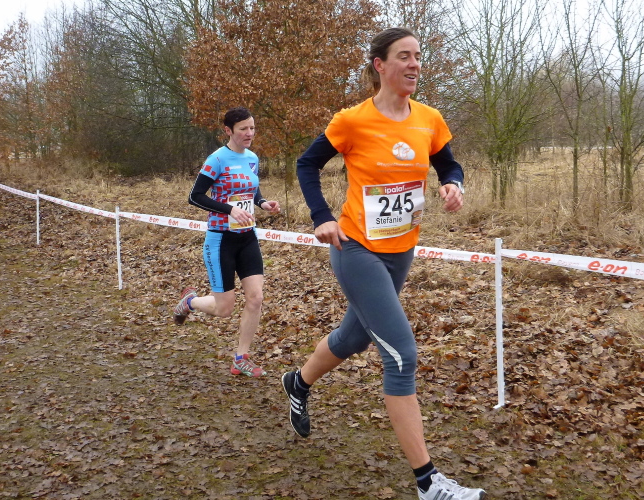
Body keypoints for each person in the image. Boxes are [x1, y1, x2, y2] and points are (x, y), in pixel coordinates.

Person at [282, 28, 484, 500]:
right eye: (404, 56)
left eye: (418, 56)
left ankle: (298, 381)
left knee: (353, 338)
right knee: (401, 356)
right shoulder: (353, 120)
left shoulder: (429, 119)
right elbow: (307, 164)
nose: (414, 64)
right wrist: (321, 216)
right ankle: (429, 482)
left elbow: (448, 164)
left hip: (401, 251)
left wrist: (453, 184)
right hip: (355, 248)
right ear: (380, 65)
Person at [173, 107, 281, 377]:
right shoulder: (217, 159)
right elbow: (195, 196)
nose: (249, 133)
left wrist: (262, 203)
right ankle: (190, 302)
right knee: (224, 309)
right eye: (243, 129)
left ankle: (241, 358)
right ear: (228, 131)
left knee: (256, 298)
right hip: (221, 240)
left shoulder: (252, 158)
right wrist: (229, 209)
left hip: (247, 237)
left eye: (252, 128)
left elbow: (251, 188)